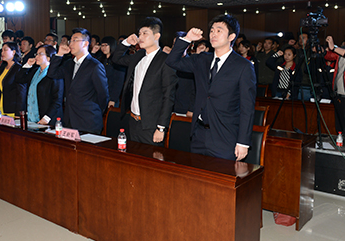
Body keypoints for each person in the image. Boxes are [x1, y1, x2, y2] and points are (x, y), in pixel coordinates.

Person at [166, 14, 256, 160]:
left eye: (219, 31)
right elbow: (172, 61)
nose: (213, 34)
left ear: (231, 36)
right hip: (199, 134)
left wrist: (243, 142)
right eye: (212, 30)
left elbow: (247, 107)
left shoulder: (243, 66)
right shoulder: (202, 59)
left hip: (225, 136)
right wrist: (187, 39)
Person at [113, 17, 177, 145]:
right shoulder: (138, 56)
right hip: (133, 120)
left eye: (145, 33)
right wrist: (126, 42)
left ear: (157, 36)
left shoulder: (166, 61)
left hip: (151, 125)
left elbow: (168, 96)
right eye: (139, 34)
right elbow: (116, 59)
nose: (140, 37)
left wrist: (161, 127)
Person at [47, 28, 109, 134]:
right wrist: (59, 54)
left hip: (88, 121)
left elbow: (103, 95)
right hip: (69, 119)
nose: (71, 44)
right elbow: (52, 73)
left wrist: (95, 111)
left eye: (75, 40)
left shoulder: (95, 65)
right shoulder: (69, 64)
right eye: (70, 41)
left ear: (85, 44)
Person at [20, 45, 63, 125]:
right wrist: (28, 65)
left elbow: (57, 100)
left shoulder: (55, 74)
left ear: (49, 58)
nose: (36, 56)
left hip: (48, 118)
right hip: (31, 117)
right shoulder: (35, 71)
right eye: (36, 54)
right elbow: (20, 79)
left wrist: (47, 117)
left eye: (40, 54)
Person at [0, 42, 24, 116]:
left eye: (5, 50)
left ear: (13, 52)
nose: (2, 53)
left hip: (13, 107)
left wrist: (19, 112)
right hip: (2, 104)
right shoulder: (3, 67)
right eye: (2, 50)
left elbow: (21, 93)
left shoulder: (18, 68)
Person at [97, 36, 126, 108]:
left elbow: (119, 82)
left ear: (112, 46)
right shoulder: (100, 60)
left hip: (111, 95)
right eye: (102, 45)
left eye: (106, 45)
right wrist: (93, 53)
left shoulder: (117, 61)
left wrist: (113, 99)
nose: (104, 48)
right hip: (99, 95)